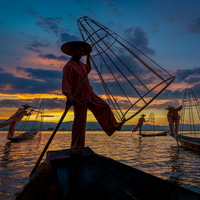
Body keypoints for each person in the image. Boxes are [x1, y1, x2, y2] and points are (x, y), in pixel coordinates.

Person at [61, 41, 124, 155]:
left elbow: (88, 69)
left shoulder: (82, 65)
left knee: (104, 107)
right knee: (80, 123)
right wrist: (69, 97)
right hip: (78, 98)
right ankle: (76, 148)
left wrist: (88, 55)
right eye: (78, 50)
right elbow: (67, 84)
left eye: (82, 51)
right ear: (72, 52)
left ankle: (114, 126)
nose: (80, 52)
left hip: (89, 94)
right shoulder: (69, 66)